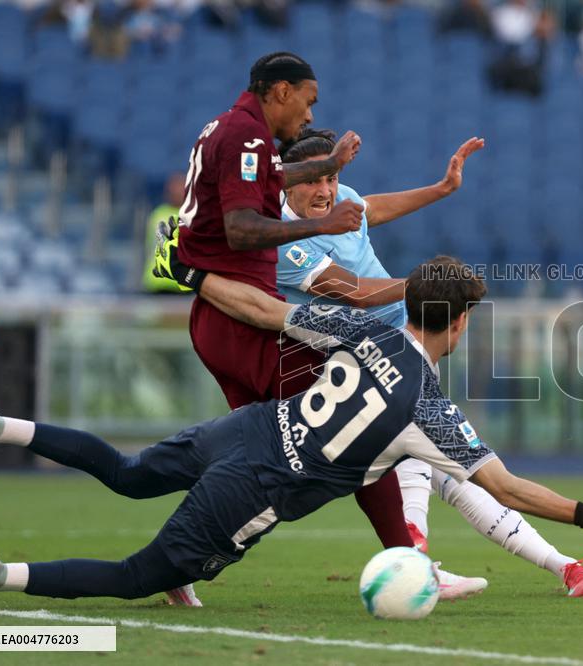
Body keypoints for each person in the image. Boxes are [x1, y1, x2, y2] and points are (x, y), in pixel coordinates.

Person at [0, 257, 583, 604]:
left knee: (126, 471)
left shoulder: (364, 328)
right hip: (258, 486)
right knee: (140, 576)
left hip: (244, 431)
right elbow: (506, 488)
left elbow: (267, 311)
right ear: (457, 325)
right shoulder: (429, 409)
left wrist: (195, 274)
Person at [252, 129, 583, 596]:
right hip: (358, 359)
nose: (327, 191)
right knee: (431, 459)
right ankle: (418, 561)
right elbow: (351, 292)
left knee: (455, 470)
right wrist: (427, 286)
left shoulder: (339, 200)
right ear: (288, 185)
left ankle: (561, 567)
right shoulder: (283, 241)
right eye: (315, 182)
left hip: (404, 344)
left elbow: (369, 210)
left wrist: (441, 190)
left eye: (332, 179)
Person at [167, 51, 419, 597]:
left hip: (219, 317)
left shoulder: (230, 129)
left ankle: (176, 565)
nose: (308, 114)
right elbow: (240, 229)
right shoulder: (246, 136)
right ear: (281, 91)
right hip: (244, 319)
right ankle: (410, 565)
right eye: (307, 101)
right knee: (355, 423)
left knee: (247, 454)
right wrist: (322, 224)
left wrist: (326, 164)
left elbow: (275, 178)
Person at [143, 172, 187, 294]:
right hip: (159, 282)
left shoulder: (192, 215)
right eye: (174, 188)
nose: (177, 192)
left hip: (184, 282)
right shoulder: (159, 214)